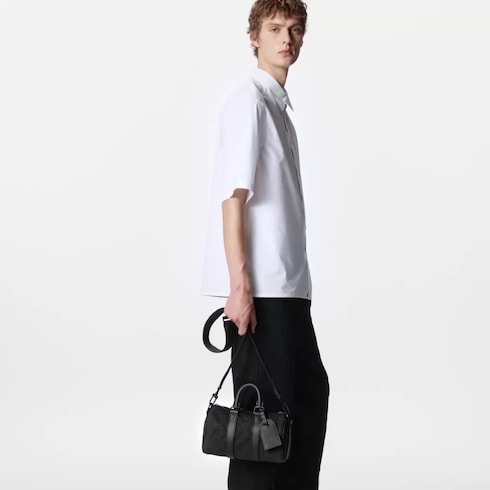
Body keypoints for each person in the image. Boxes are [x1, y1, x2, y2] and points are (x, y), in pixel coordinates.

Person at [202, 0, 329, 488]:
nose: (287, 39)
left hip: (290, 292)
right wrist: (240, 289)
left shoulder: (278, 109)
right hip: (262, 295)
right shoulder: (250, 104)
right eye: (275, 28)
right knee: (263, 432)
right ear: (254, 37)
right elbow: (232, 200)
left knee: (306, 405)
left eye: (295, 29)